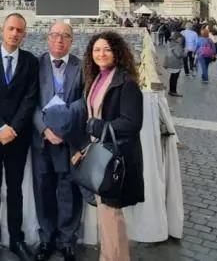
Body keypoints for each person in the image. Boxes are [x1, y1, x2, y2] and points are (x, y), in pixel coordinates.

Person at [0, 13, 39, 261]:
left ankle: (17, 239)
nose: (15, 34)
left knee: (15, 189)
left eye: (19, 30)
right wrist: (1, 126)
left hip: (18, 136)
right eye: (11, 29)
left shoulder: (31, 61)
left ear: (24, 34)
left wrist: (12, 128)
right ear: (2, 30)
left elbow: (30, 98)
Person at [81, 31, 144, 261]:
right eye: (97, 50)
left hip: (116, 158)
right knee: (106, 217)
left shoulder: (126, 83)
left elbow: (132, 122)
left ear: (117, 52)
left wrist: (96, 127)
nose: (101, 54)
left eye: (106, 49)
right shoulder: (98, 78)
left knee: (111, 217)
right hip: (102, 156)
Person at [31, 22, 85, 261]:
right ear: (47, 38)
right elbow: (29, 101)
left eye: (65, 36)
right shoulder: (35, 65)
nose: (59, 40)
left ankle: (67, 240)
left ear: (72, 41)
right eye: (55, 35)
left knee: (68, 192)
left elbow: (84, 102)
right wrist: (44, 129)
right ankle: (47, 238)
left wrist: (64, 124)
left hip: (68, 140)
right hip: (42, 141)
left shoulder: (81, 67)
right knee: (43, 190)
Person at [163, 32, 185, 96]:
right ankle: (173, 91)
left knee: (172, 78)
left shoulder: (169, 43)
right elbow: (179, 55)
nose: (181, 40)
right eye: (180, 38)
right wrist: (185, 53)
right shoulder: (177, 45)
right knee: (175, 78)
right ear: (177, 38)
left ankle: (171, 90)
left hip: (170, 63)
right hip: (175, 64)